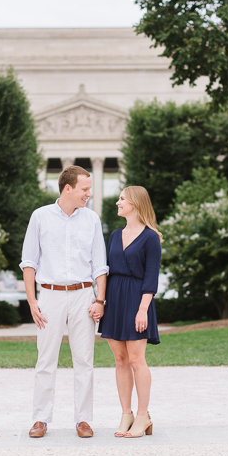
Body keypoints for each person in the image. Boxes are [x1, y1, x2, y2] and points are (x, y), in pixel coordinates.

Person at [20, 165, 108, 439]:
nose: (89, 195)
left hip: (84, 295)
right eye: (84, 189)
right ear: (67, 188)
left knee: (85, 361)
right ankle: (40, 419)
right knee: (46, 360)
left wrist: (100, 300)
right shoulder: (40, 217)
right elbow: (29, 262)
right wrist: (32, 301)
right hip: (49, 295)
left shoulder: (91, 219)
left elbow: (100, 266)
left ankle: (83, 420)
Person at [94, 185, 162, 438]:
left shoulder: (151, 237)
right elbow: (105, 270)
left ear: (135, 203)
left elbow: (151, 277)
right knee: (120, 361)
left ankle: (143, 416)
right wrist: (100, 301)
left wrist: (143, 309)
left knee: (136, 360)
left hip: (137, 300)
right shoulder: (113, 235)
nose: (118, 203)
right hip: (115, 299)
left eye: (122, 199)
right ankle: (126, 414)